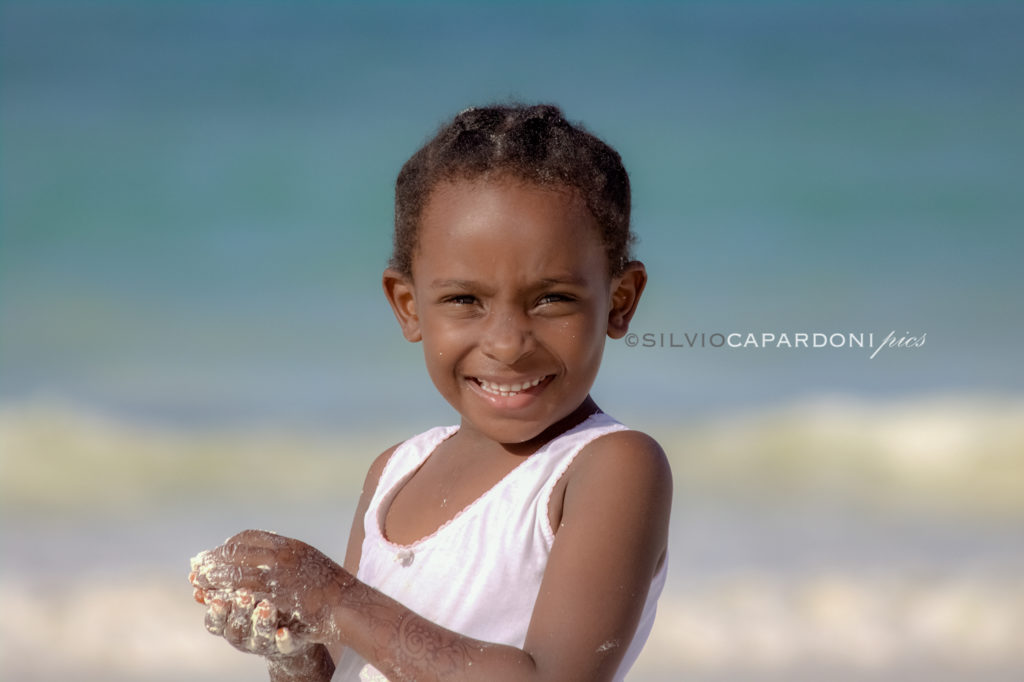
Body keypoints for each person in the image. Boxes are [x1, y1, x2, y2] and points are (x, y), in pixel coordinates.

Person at [189, 103, 672, 682]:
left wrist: (337, 600)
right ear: (408, 306)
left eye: (553, 299)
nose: (508, 343)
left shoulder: (608, 468)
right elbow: (356, 664)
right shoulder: (394, 474)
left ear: (620, 301)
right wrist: (294, 650)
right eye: (465, 300)